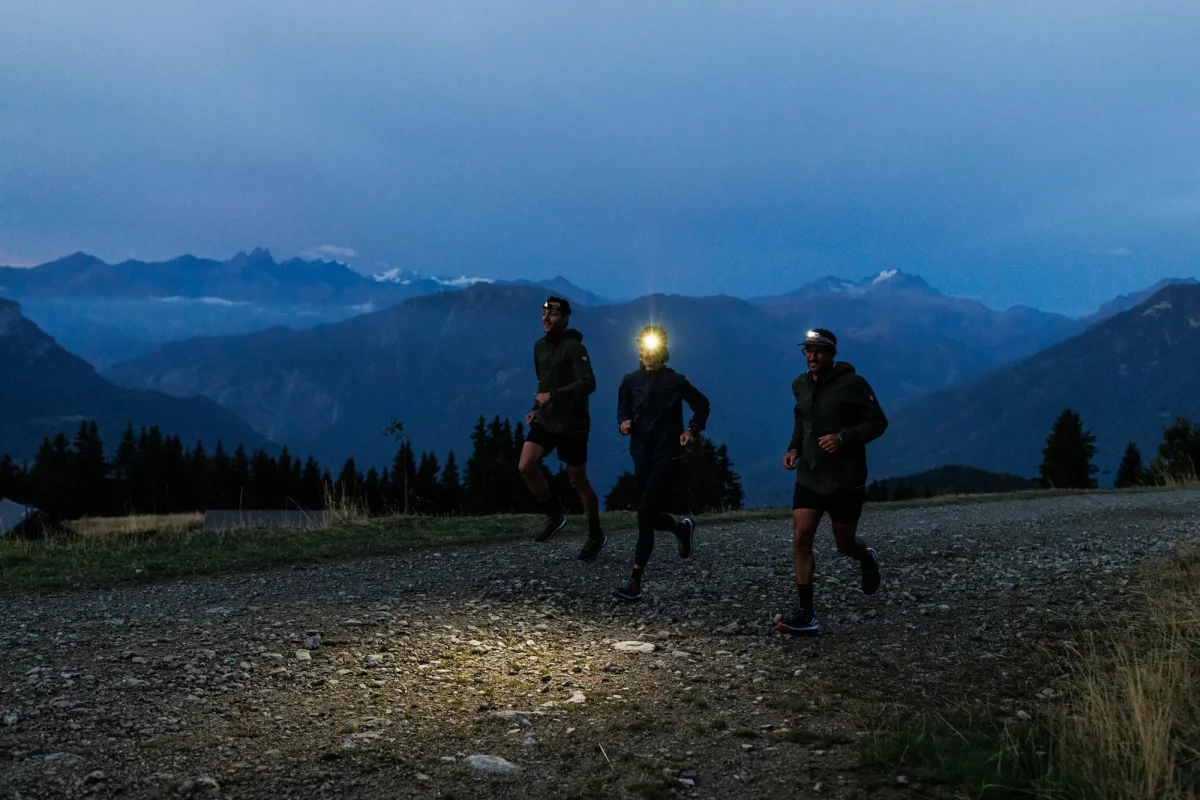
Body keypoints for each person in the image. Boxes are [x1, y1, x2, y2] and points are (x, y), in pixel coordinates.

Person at [778, 328, 887, 635]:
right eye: (808, 351)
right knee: (801, 537)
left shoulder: (853, 384)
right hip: (810, 475)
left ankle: (865, 557)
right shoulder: (799, 385)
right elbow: (801, 418)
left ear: (832, 354)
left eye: (819, 351)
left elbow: (878, 421)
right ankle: (807, 615)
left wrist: (843, 438)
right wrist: (794, 448)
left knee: (845, 544)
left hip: (845, 479)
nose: (812, 356)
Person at [611, 325, 711, 601]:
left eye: (653, 349)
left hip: (668, 455)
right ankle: (681, 529)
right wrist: (624, 424)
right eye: (643, 348)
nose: (647, 354)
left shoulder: (676, 381)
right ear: (638, 349)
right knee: (650, 514)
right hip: (640, 454)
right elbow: (622, 410)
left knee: (644, 513)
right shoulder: (629, 381)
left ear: (663, 351)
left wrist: (691, 430)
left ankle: (635, 580)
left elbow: (702, 405)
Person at [519, 296, 607, 560]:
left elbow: (589, 383)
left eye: (553, 314)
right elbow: (542, 382)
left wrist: (554, 396)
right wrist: (536, 409)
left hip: (573, 424)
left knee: (577, 480)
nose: (546, 318)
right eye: (544, 313)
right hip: (547, 419)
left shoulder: (574, 347)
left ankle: (595, 533)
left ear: (566, 318)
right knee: (525, 465)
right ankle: (555, 516)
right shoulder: (539, 347)